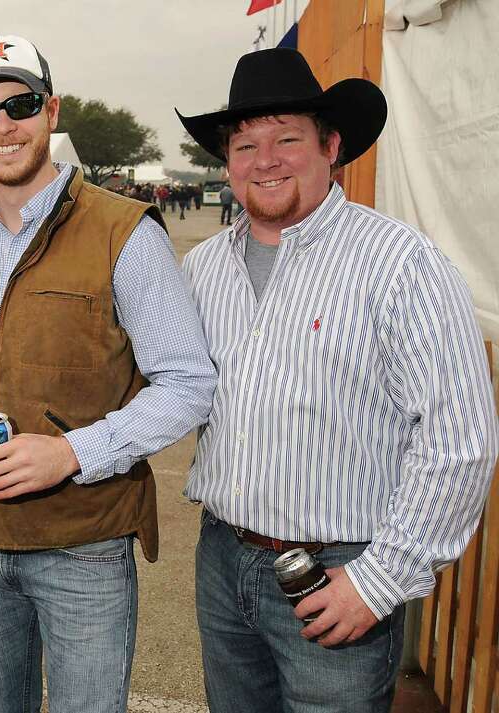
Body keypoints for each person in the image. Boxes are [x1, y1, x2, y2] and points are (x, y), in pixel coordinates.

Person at [176, 47, 498, 713]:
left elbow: (459, 441)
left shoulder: (401, 265)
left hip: (338, 569)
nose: (265, 160)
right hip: (223, 559)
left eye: (286, 138)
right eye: (245, 144)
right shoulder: (203, 268)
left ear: (331, 146)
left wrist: (378, 581)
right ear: (228, 163)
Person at [0, 35, 216, 712]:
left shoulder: (125, 231)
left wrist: (69, 453)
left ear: (51, 110)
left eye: (21, 103)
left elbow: (187, 383)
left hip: (82, 542)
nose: (3, 124)